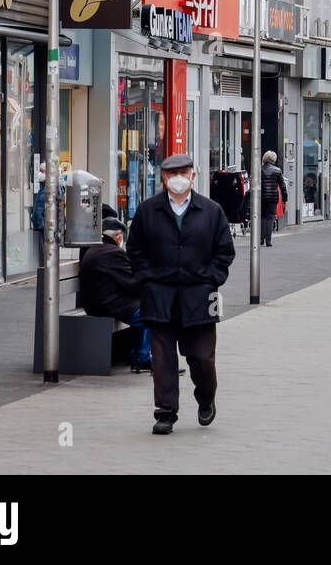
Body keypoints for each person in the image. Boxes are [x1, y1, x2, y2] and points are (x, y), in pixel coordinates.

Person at [126, 154, 235, 435]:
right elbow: (135, 249)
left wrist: (211, 280)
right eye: (171, 173)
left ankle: (206, 396)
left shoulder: (211, 211)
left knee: (201, 357)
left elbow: (224, 252)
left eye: (183, 172)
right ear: (163, 177)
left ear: (193, 176)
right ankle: (165, 412)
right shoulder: (148, 210)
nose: (177, 177)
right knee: (162, 357)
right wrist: (146, 279)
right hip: (159, 294)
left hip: (199, 295)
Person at [80, 217, 152, 371]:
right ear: (118, 236)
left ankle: (137, 355)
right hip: (106, 304)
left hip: (96, 301)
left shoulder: (96, 249)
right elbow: (132, 283)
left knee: (144, 307)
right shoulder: (112, 252)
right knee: (149, 312)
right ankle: (142, 357)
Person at [259, 150, 288, 245]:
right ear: (273, 159)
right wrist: (285, 199)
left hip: (261, 197)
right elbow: (282, 186)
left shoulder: (259, 169)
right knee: (270, 218)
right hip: (273, 197)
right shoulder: (277, 170)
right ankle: (269, 241)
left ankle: (261, 238)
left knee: (262, 217)